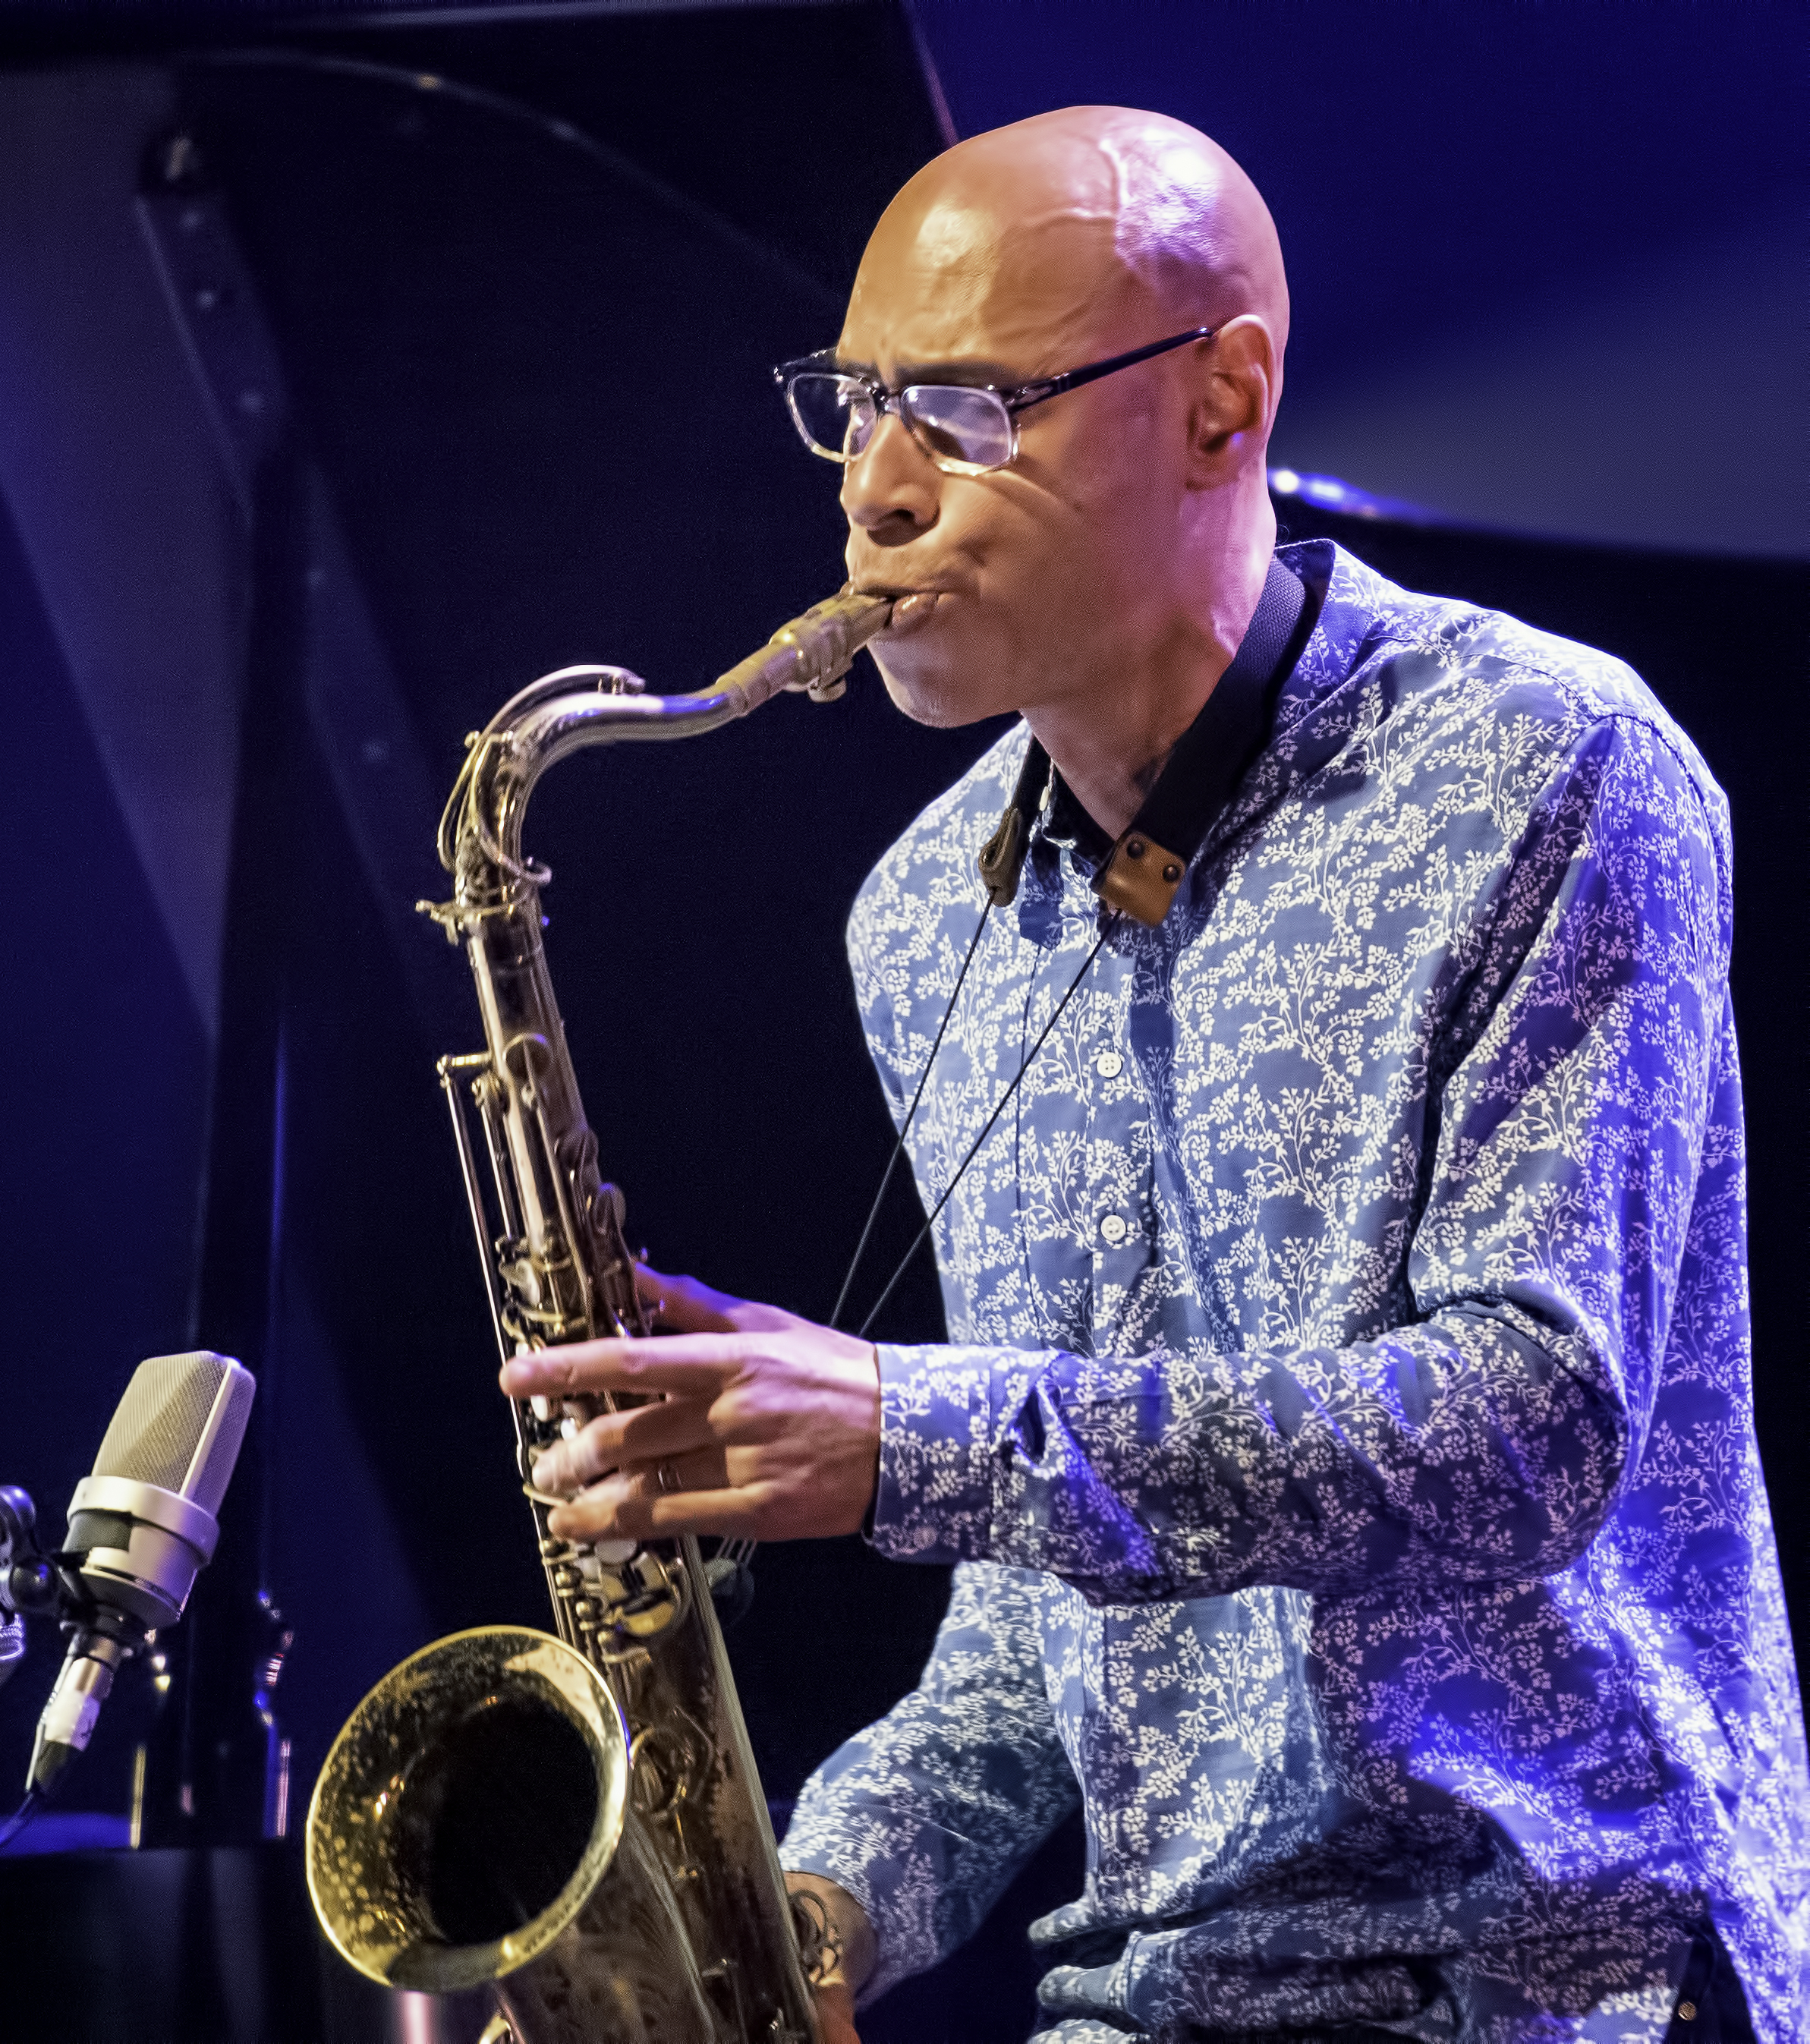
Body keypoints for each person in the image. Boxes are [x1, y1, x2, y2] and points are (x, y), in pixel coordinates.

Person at [503, 109, 1807, 2043]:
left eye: (959, 404)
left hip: (1552, 1978)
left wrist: (912, 1431)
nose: (872, 488)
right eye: (851, 401)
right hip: (1160, 1999)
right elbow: (1050, 1609)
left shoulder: (1552, 766)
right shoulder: (921, 919)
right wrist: (812, 1903)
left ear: (1222, 402)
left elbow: (1529, 1423)